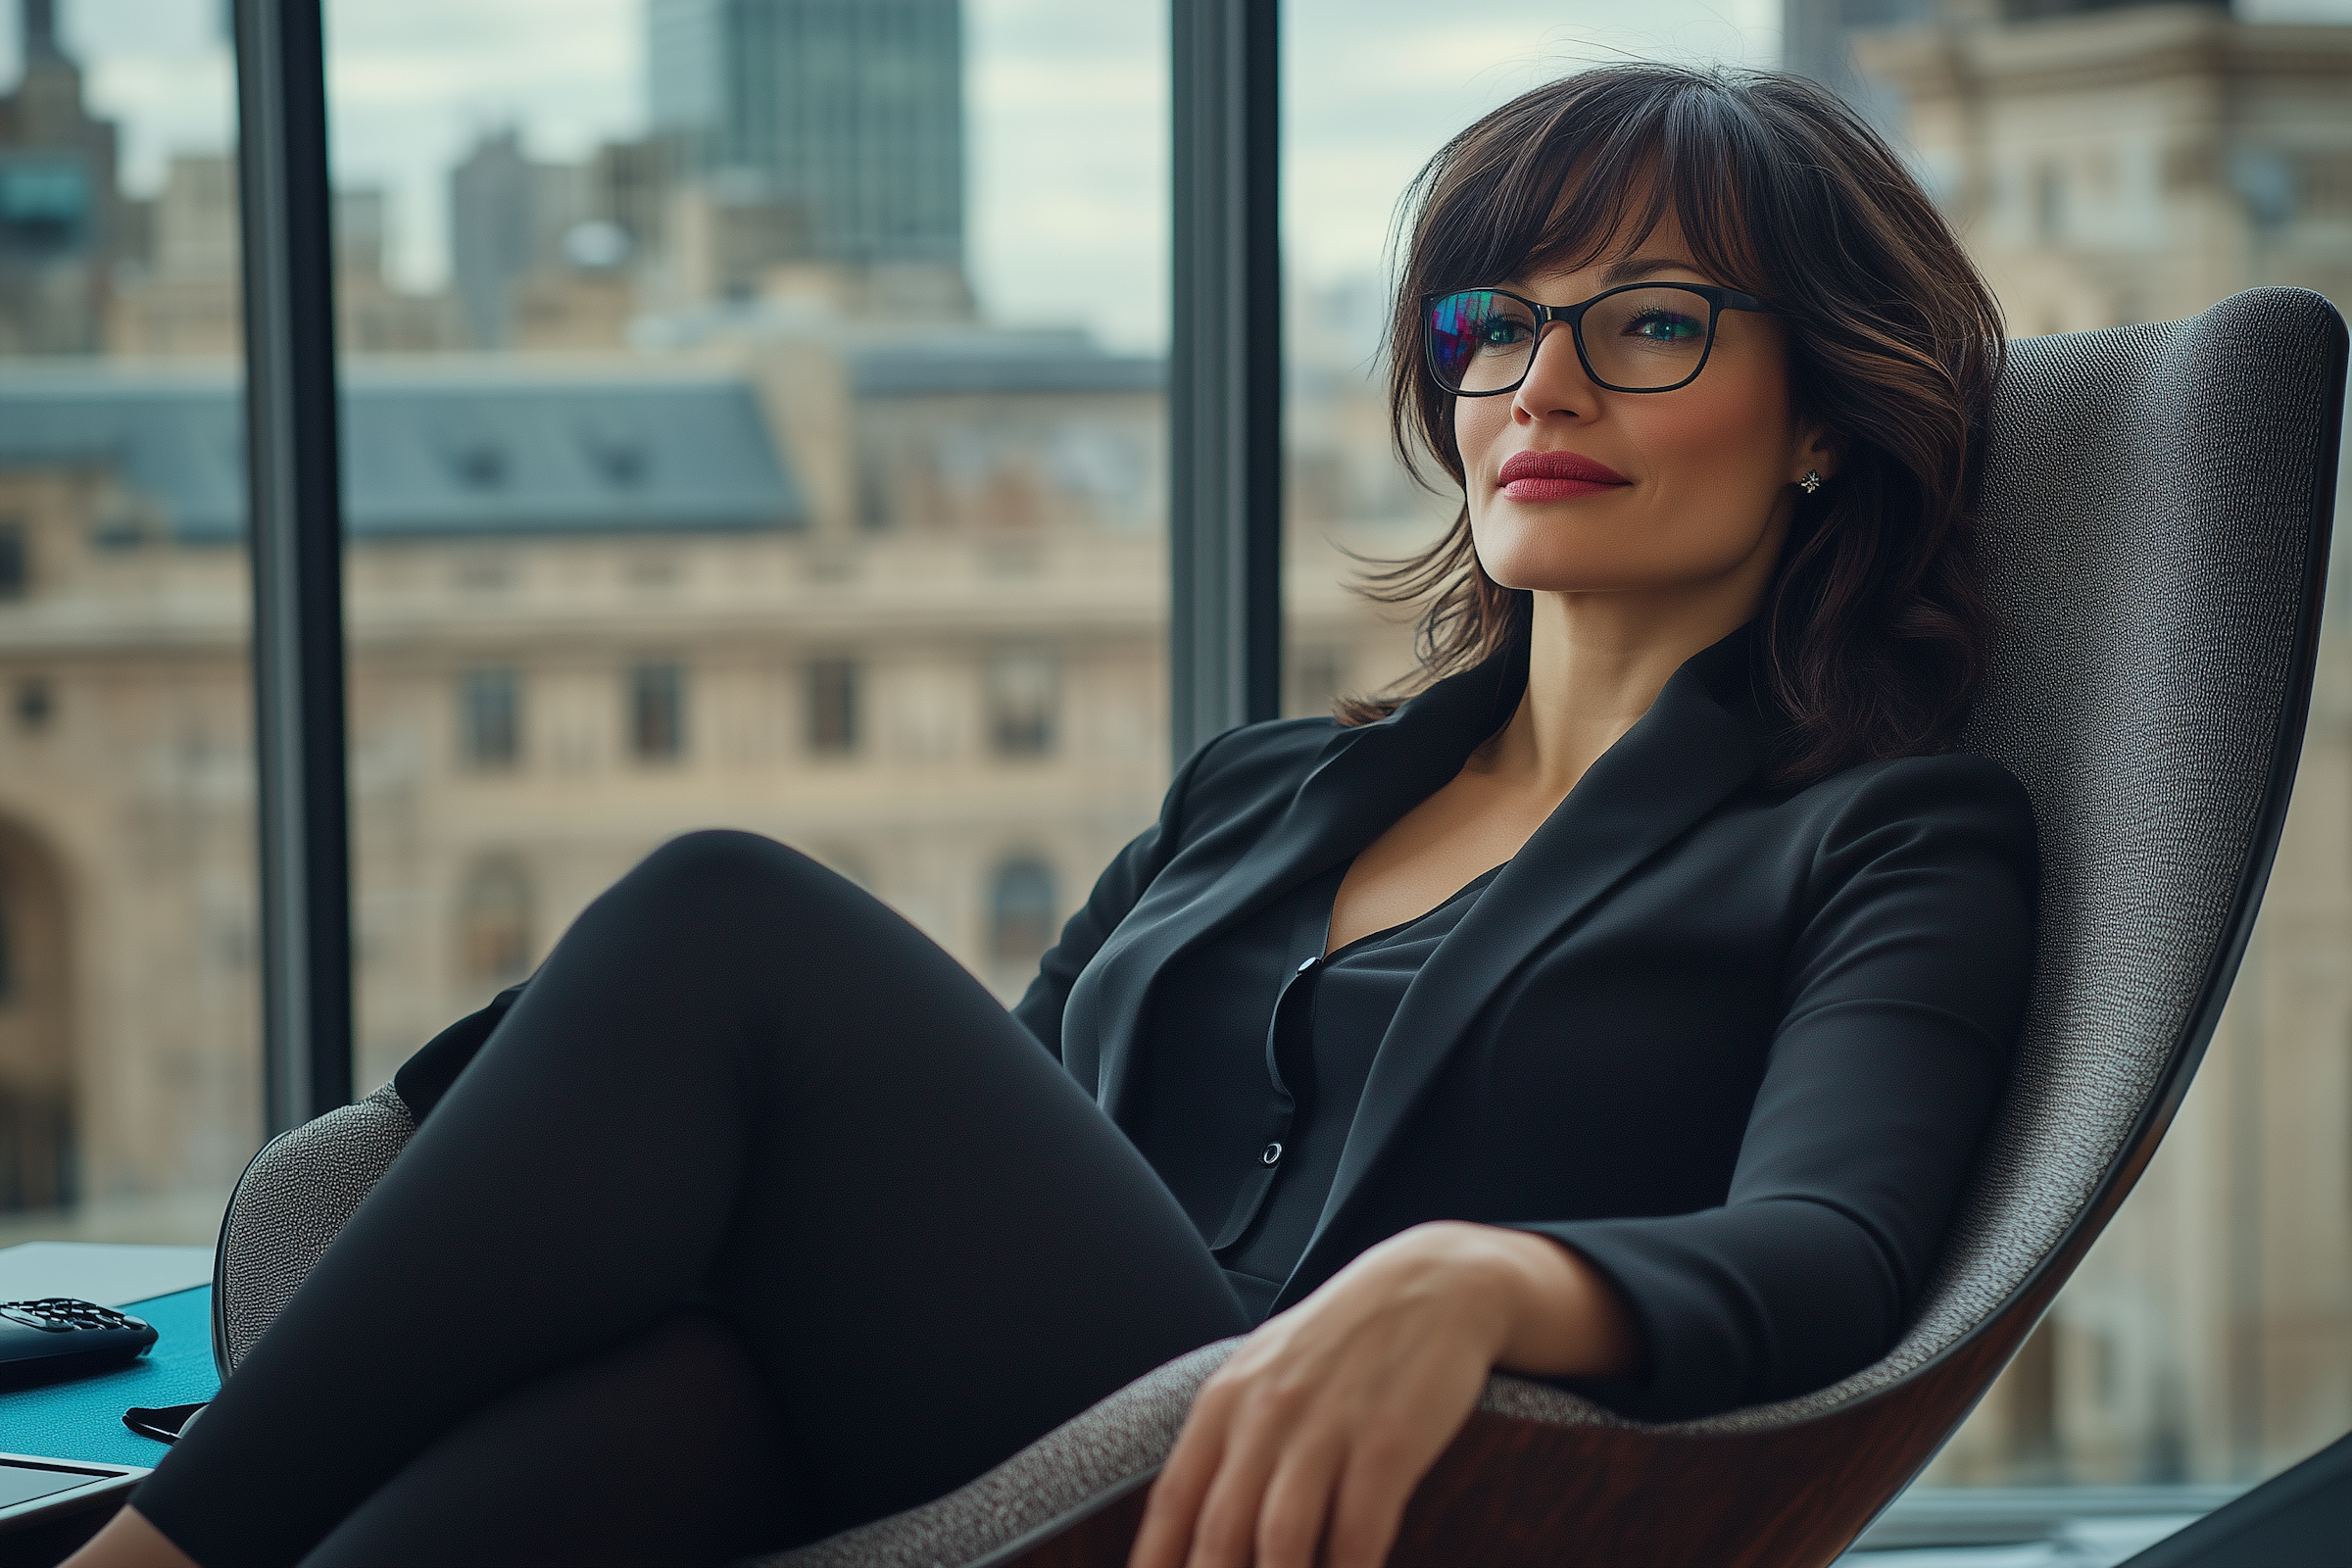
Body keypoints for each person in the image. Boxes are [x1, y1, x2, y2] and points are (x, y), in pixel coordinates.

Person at [70, 61, 2033, 1568]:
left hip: (1332, 1489)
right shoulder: (1255, 795)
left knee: (729, 915)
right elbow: (959, 1140)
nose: (1544, 383)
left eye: (1654, 322)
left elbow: (1844, 1253)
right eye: (1491, 326)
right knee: (649, 1406)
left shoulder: (1882, 834)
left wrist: (1482, 1273)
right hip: (1019, 1422)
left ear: (1824, 419)